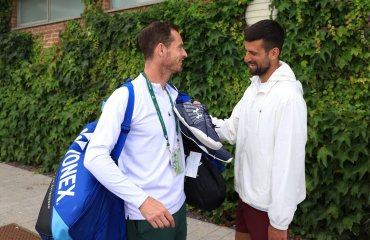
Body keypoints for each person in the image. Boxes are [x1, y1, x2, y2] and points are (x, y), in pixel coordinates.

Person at [85, 21, 188, 240]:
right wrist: (142, 201)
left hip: (178, 210)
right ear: (161, 49)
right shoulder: (125, 97)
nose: (184, 53)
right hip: (148, 220)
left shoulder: (173, 94)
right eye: (179, 47)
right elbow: (94, 157)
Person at [212, 19, 307, 240]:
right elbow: (232, 129)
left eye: (253, 53)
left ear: (274, 53)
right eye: (246, 51)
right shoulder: (253, 88)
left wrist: (279, 222)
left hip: (267, 209)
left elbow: (289, 163)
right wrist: (197, 122)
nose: (246, 58)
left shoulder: (288, 98)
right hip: (246, 198)